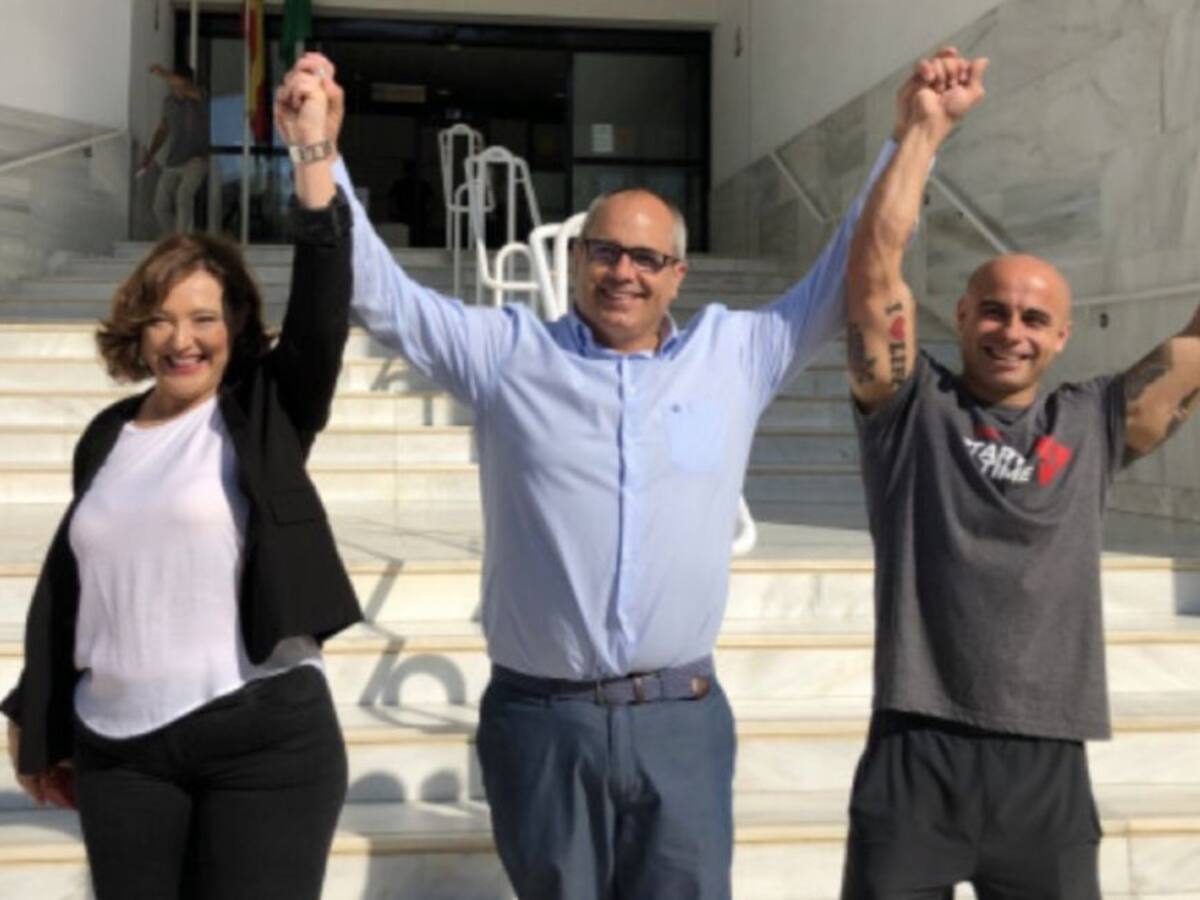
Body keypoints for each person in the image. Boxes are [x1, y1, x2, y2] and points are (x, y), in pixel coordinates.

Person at [284, 51, 922, 899]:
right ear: (577, 257)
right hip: (542, 722)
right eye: (606, 251)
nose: (624, 272)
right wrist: (316, 150)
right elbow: (382, 295)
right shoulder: (508, 355)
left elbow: (851, 262)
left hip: (680, 723)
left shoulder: (737, 355)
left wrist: (914, 136)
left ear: (677, 274)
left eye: (647, 258)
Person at [840, 49, 1200, 898]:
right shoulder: (911, 409)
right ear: (962, 314)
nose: (1012, 331)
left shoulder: (1094, 424)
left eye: (1036, 319)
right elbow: (874, 272)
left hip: (1047, 767)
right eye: (994, 311)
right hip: (915, 753)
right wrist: (924, 132)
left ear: (1063, 337)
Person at [3, 65, 361, 899]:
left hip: (262, 738)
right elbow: (75, 586)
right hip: (120, 750)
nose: (181, 339)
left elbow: (322, 301)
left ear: (236, 326)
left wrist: (313, 150)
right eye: (161, 319)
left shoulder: (267, 408)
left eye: (203, 317)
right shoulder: (108, 435)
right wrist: (37, 716)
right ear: (137, 331)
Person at [140, 63, 210, 235]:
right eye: (173, 84)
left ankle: (181, 238)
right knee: (159, 206)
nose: (176, 87)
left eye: (178, 83)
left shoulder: (199, 96)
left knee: (183, 195)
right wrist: (150, 155)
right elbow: (162, 130)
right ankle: (175, 238)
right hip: (173, 161)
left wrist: (162, 73)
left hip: (196, 160)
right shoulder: (168, 102)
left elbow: (184, 85)